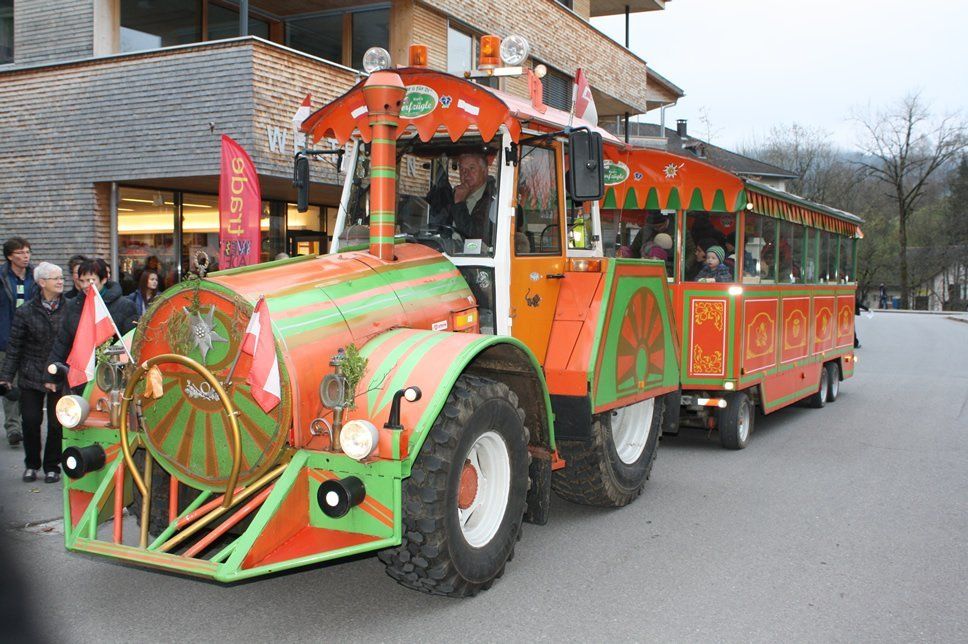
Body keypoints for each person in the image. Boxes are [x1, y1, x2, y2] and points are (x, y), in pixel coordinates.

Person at [0, 262, 66, 483]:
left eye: (61, 278)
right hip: (31, 373)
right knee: (30, 420)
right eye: (56, 278)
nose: (61, 281)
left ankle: (52, 466)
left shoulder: (70, 308)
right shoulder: (25, 311)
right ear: (42, 282)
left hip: (59, 374)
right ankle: (31, 464)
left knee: (56, 423)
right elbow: (14, 347)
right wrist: (6, 377)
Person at [48, 258, 140, 380]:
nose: (85, 285)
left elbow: (130, 341)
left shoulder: (125, 306)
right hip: (80, 372)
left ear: (104, 279)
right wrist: (51, 376)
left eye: (91, 281)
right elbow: (62, 342)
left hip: (112, 375)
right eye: (82, 281)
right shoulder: (73, 305)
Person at [0, 237, 36, 447]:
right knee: (9, 384)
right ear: (9, 256)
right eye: (21, 253)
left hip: (31, 340)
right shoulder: (2, 277)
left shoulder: (35, 277)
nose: (26, 256)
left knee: (27, 384)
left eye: (28, 252)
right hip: (6, 339)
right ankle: (13, 427)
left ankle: (24, 422)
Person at [435, 152, 497, 242]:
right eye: (462, 169)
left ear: (484, 171)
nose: (465, 173)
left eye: (471, 168)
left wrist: (459, 204)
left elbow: (476, 237)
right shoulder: (455, 194)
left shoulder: (494, 199)